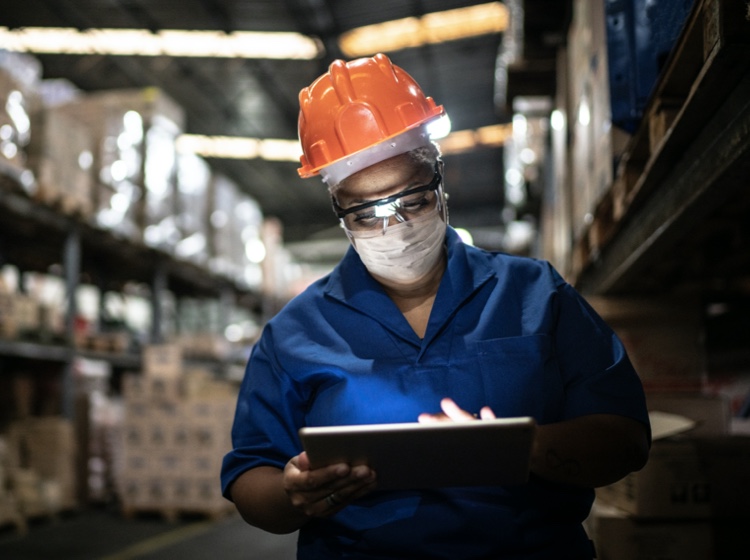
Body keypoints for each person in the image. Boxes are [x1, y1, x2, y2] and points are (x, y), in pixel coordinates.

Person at [221, 53, 650, 559]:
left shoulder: (536, 295)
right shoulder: (295, 333)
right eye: (365, 212)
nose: (393, 228)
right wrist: (293, 494)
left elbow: (624, 437)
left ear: (440, 184)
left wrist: (519, 449)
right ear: (338, 210)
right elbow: (252, 474)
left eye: (413, 200)